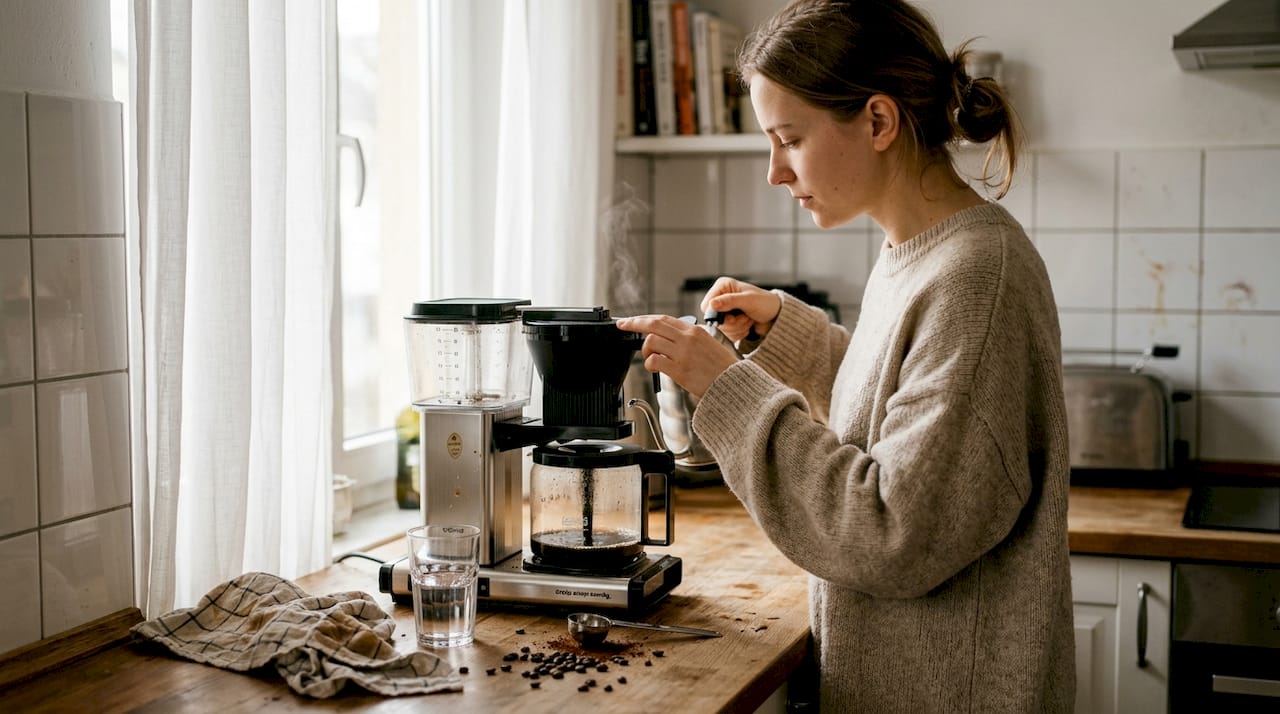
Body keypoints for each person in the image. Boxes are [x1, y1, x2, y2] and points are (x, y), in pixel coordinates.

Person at [615, 0, 1075, 711]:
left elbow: (895, 533)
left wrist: (729, 390)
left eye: (789, 140)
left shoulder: (979, 277)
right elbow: (905, 420)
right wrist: (788, 341)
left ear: (879, 122)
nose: (774, 171)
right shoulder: (917, 253)